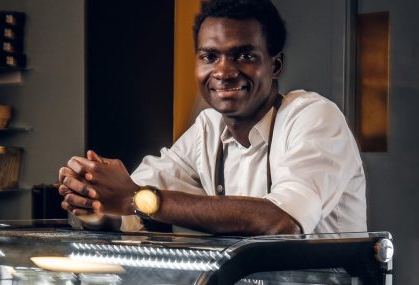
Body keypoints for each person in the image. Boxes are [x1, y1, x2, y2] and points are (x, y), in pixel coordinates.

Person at [58, 0, 366, 237]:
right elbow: (131, 206)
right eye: (209, 57)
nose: (223, 71)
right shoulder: (208, 128)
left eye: (244, 55)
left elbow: (282, 222)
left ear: (275, 65)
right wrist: (94, 201)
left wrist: (136, 198)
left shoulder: (313, 116)